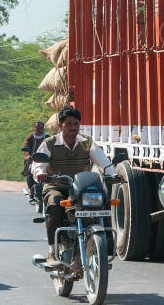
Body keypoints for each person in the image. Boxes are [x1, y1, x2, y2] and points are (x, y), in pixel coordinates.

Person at [32, 106, 116, 265]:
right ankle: (52, 249)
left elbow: (102, 160)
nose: (72, 128)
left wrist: (114, 174)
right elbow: (38, 164)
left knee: (99, 203)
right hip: (55, 185)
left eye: (76, 124)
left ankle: (99, 241)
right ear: (60, 125)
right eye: (68, 124)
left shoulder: (87, 142)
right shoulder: (49, 143)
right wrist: (40, 173)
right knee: (55, 204)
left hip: (79, 186)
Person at [21, 121, 49, 201]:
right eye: (37, 128)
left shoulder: (47, 137)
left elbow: (52, 147)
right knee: (30, 172)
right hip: (33, 159)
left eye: (41, 128)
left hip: (45, 159)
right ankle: (31, 190)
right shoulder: (30, 137)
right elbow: (25, 147)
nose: (39, 130)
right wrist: (28, 156)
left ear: (43, 128)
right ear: (34, 128)